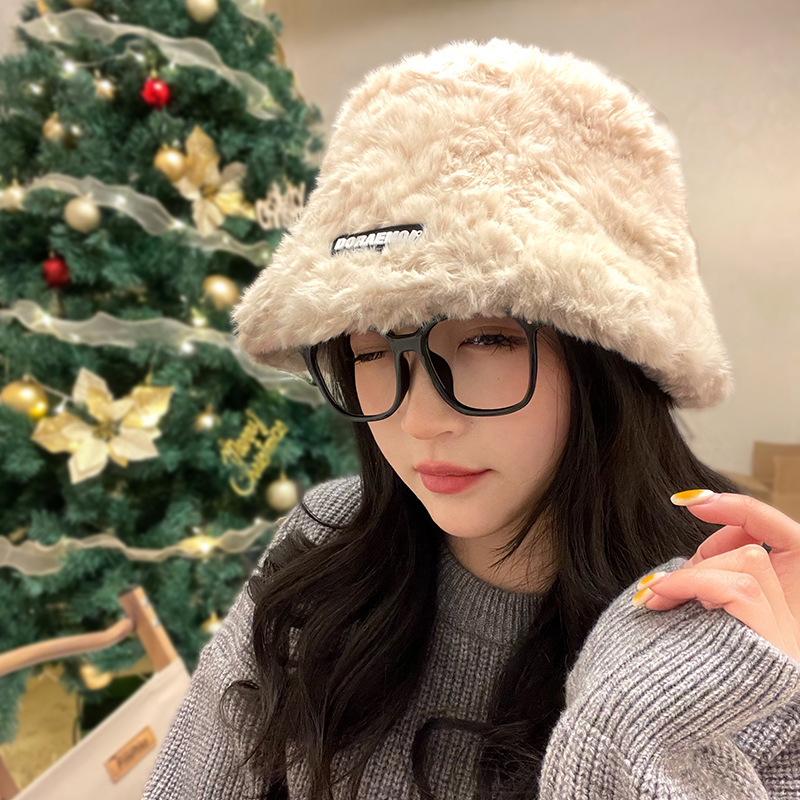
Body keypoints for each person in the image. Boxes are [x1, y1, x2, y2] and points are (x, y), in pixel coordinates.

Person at [142, 38, 800, 800]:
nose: (422, 420)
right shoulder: (323, 548)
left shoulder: (745, 641)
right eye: (370, 349)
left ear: (609, 362)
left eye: (488, 339)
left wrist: (631, 736)